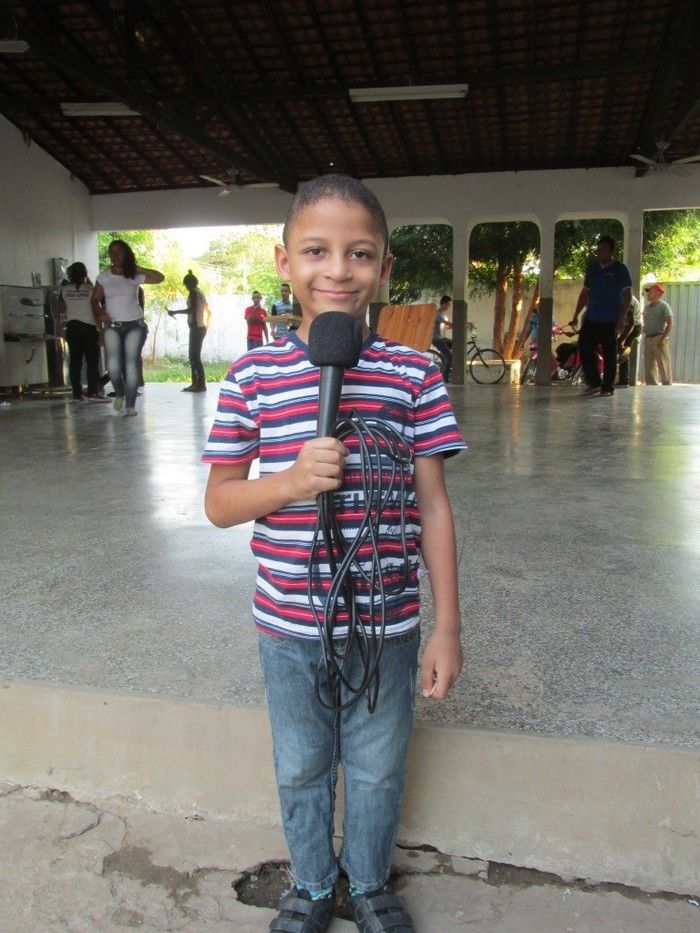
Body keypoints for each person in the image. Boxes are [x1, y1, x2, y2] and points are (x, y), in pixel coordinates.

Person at [202, 174, 466, 933]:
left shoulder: (414, 373)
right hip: (289, 624)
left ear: (385, 268)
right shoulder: (252, 376)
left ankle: (370, 883)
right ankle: (314, 886)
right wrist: (289, 481)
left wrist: (447, 625)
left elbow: (434, 506)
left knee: (379, 767)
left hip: (388, 625)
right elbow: (220, 503)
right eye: (316, 250)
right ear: (283, 261)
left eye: (360, 253)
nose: (338, 270)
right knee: (301, 765)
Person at [91, 240, 163, 416]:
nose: (115, 256)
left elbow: (159, 278)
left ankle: (130, 405)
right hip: (113, 326)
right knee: (113, 366)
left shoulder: (134, 275)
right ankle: (120, 393)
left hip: (135, 325)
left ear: (126, 254)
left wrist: (139, 268)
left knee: (131, 364)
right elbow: (94, 299)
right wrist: (100, 312)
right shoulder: (104, 277)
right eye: (112, 252)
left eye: (119, 252)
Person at [571, 235, 632, 396]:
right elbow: (584, 294)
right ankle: (594, 383)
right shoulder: (593, 270)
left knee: (609, 353)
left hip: (610, 319)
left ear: (611, 251)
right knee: (584, 347)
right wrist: (576, 314)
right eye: (598, 249)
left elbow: (627, 295)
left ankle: (607, 387)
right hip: (591, 317)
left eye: (603, 249)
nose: (600, 252)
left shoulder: (620, 269)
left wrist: (621, 318)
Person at [57, 262, 103, 400]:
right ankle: (92, 391)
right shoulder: (91, 289)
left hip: (72, 327)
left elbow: (61, 309)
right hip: (89, 328)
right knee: (92, 361)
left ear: (70, 275)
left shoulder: (64, 290)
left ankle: (77, 393)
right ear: (85, 274)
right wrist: (101, 329)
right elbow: (96, 310)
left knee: (75, 361)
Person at [168, 270, 212, 391]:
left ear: (190, 283)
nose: (186, 287)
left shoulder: (193, 292)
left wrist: (174, 312)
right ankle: (196, 383)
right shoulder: (200, 293)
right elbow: (207, 311)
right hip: (201, 327)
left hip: (196, 328)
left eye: (186, 284)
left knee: (194, 357)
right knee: (194, 357)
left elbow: (191, 310)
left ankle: (200, 384)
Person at [642, 283, 673, 386]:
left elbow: (670, 323)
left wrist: (663, 339)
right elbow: (646, 322)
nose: (648, 294)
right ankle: (651, 388)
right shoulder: (647, 308)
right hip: (648, 338)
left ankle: (667, 387)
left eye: (650, 292)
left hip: (659, 337)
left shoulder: (664, 306)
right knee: (649, 367)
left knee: (663, 365)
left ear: (658, 293)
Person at [616, 292, 642, 387]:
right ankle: (623, 380)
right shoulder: (624, 298)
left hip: (634, 328)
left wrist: (623, 338)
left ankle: (624, 381)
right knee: (619, 348)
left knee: (624, 351)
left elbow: (631, 323)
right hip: (628, 326)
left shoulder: (629, 300)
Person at [433, 294, 454, 382]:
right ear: (443, 304)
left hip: (441, 338)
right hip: (436, 339)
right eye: (448, 304)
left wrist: (451, 326)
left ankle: (446, 363)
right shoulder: (437, 313)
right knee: (450, 357)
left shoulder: (441, 314)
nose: (449, 306)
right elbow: (446, 322)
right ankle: (445, 377)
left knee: (454, 344)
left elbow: (445, 326)